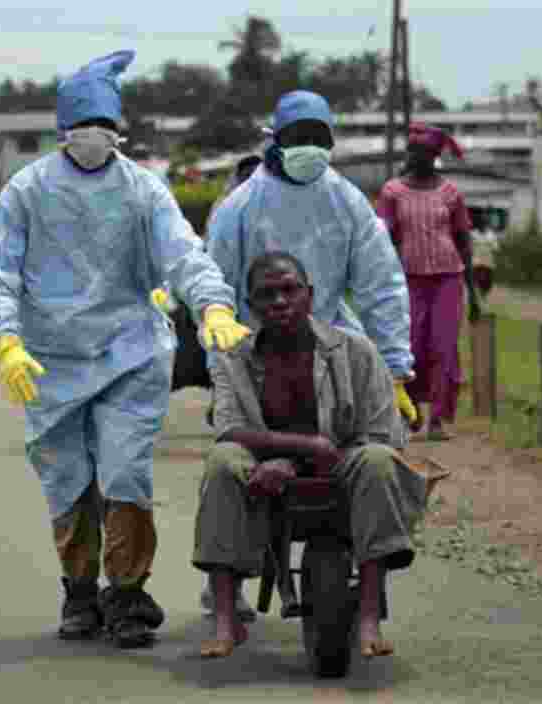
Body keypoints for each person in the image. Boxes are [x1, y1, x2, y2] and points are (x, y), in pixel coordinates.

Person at [0, 49, 251, 650]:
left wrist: (213, 304)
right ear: (62, 130)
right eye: (82, 125)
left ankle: (126, 594)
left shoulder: (142, 189)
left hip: (129, 352)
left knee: (124, 471)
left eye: (103, 125)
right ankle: (78, 593)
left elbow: (182, 253)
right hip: (49, 356)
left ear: (118, 129)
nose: (93, 137)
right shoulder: (28, 189)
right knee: (67, 477)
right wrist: (5, 341)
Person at [202, 91, 418, 620]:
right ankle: (228, 576)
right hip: (259, 361)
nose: (311, 149)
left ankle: (371, 565)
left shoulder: (346, 203)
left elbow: (381, 284)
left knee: (380, 457)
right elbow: (213, 289)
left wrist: (394, 368)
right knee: (232, 468)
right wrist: (223, 363)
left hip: (333, 357)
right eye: (300, 139)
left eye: (321, 140)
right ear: (276, 141)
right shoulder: (239, 208)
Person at [194, 252, 441, 659]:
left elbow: (382, 433)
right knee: (223, 461)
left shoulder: (355, 351)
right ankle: (224, 616)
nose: (279, 302)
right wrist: (298, 451)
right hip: (264, 464)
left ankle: (368, 615)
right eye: (266, 295)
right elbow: (229, 428)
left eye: (289, 290)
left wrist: (303, 458)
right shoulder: (233, 358)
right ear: (250, 306)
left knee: (379, 459)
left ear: (309, 295)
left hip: (345, 459)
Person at [376, 122, 480, 442]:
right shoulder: (392, 192)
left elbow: (464, 241)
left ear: (433, 156)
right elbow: (382, 240)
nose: (414, 157)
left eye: (421, 153)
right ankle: (412, 410)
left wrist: (474, 294)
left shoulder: (450, 193)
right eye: (412, 151)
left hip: (449, 278)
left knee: (444, 347)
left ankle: (437, 418)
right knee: (411, 345)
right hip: (408, 280)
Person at [470, 210, 499, 298]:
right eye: (481, 223)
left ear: (486, 224)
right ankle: (477, 294)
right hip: (477, 262)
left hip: (488, 262)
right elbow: (469, 247)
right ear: (478, 224)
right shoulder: (473, 234)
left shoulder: (491, 235)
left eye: (484, 223)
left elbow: (496, 248)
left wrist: (491, 247)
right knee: (477, 280)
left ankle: (484, 293)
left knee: (487, 283)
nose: (482, 225)